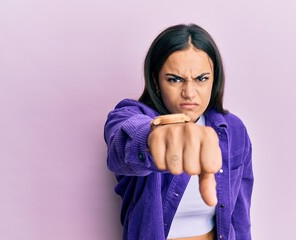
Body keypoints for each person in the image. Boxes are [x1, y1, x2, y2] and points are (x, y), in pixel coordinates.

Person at [104, 23, 253, 240]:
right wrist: (154, 138)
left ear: (214, 80)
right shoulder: (130, 114)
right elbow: (124, 141)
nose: (189, 93)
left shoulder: (234, 130)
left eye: (201, 79)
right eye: (175, 79)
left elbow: (240, 219)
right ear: (156, 81)